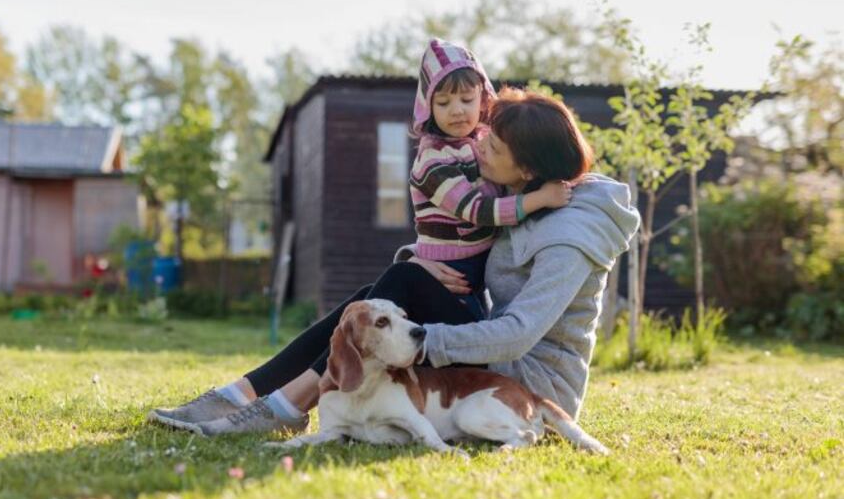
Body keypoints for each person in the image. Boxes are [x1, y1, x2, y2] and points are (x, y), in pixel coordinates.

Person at [148, 87, 640, 436]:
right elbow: (469, 245)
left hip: (529, 382)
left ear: (528, 167)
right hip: (496, 351)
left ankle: (286, 401)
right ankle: (245, 394)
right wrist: (419, 261)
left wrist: (421, 342)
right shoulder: (527, 198)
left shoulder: (570, 237)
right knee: (378, 296)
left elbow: (518, 333)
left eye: (491, 147)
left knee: (394, 290)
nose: (478, 149)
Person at [409, 38, 571, 318]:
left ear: (483, 97)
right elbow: (477, 209)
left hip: (482, 262)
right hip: (450, 269)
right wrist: (541, 198)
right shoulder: (432, 159)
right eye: (444, 102)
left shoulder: (482, 139)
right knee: (462, 329)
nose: (457, 110)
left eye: (467, 99)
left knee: (485, 321)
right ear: (428, 107)